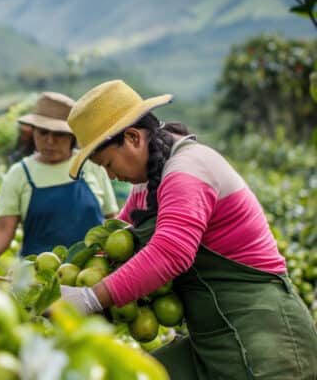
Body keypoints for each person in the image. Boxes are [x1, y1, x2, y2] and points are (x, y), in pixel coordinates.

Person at [59, 80, 317, 379]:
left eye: (107, 163)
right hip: (211, 340)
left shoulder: (188, 170)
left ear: (132, 138)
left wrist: (92, 298)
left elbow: (171, 253)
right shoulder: (146, 187)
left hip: (264, 338)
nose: (111, 174)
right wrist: (59, 288)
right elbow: (113, 246)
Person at [0, 92, 118, 261]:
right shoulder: (20, 173)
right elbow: (2, 230)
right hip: (38, 277)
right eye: (43, 132)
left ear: (72, 136)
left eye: (58, 134)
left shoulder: (91, 165)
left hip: (92, 272)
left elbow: (111, 220)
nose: (50, 141)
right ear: (33, 132)